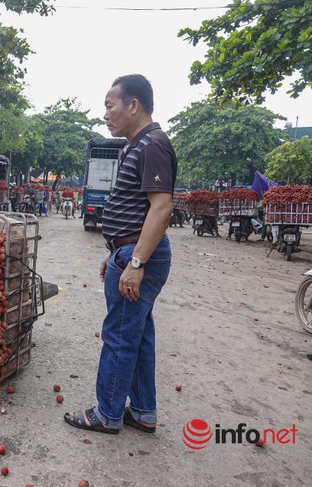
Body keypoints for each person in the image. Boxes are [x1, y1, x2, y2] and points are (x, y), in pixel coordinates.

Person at [64, 74, 176, 434]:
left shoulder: (153, 144)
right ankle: (143, 411)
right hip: (128, 250)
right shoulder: (136, 145)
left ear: (133, 105)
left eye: (110, 106)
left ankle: (108, 412)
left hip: (140, 256)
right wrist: (117, 251)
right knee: (138, 334)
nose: (106, 114)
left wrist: (136, 262)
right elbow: (135, 209)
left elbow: (161, 208)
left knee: (119, 336)